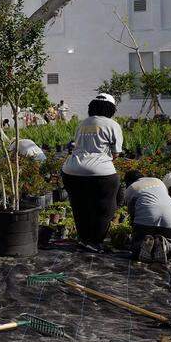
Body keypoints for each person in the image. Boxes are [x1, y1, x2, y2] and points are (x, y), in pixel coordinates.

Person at [61, 94, 123, 252]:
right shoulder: (112, 124)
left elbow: (76, 146)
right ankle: (95, 242)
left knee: (80, 206)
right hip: (100, 172)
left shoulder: (82, 124)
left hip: (71, 170)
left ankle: (83, 239)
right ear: (111, 108)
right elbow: (116, 153)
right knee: (105, 207)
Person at [121, 171, 171, 261]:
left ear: (128, 182)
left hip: (147, 217)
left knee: (138, 243)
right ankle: (166, 246)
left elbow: (132, 214)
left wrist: (135, 233)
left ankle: (144, 245)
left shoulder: (131, 188)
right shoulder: (159, 181)